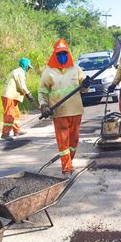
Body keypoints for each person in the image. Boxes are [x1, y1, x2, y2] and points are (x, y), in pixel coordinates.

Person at [38, 39, 91, 177]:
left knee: (74, 141)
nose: (62, 56)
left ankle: (69, 161)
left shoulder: (76, 69)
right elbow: (42, 91)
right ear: (54, 54)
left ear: (68, 53)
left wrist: (86, 84)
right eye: (59, 54)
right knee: (63, 142)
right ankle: (66, 167)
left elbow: (84, 89)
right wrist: (44, 105)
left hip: (76, 111)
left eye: (64, 53)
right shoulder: (48, 72)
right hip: (59, 112)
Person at [1, 58, 34, 139]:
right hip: (9, 96)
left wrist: (27, 94)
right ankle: (5, 134)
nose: (29, 69)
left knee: (16, 113)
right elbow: (22, 86)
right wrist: (28, 94)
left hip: (13, 96)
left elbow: (20, 86)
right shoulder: (19, 72)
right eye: (28, 67)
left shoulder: (19, 72)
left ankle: (17, 131)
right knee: (9, 114)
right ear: (25, 66)